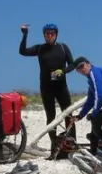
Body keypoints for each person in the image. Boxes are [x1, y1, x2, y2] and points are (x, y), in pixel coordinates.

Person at [19, 22, 76, 159]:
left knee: (68, 116)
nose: (50, 36)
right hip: (46, 88)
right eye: (47, 34)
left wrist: (62, 71)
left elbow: (72, 65)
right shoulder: (40, 48)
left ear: (56, 35)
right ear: (44, 35)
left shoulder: (63, 47)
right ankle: (54, 150)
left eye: (52, 34)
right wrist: (25, 35)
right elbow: (23, 51)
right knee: (51, 118)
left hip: (61, 87)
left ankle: (70, 147)